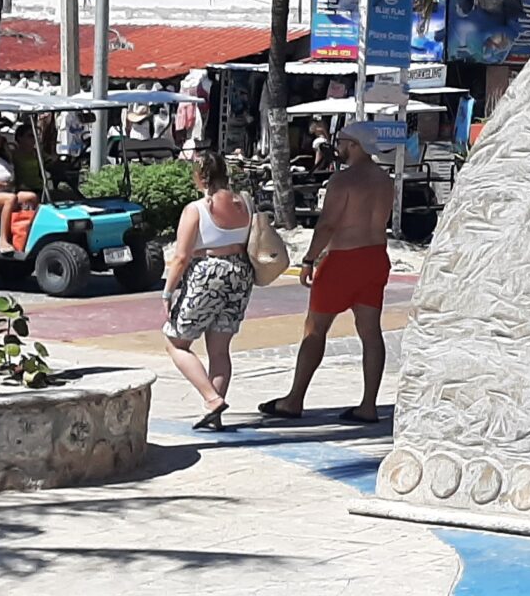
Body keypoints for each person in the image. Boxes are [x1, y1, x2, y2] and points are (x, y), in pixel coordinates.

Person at [260, 126, 394, 424]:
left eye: (342, 143)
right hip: (375, 256)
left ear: (355, 144)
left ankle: (294, 400)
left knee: (315, 328)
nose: (339, 148)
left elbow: (328, 225)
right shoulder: (385, 180)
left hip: (345, 258)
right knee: (371, 332)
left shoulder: (344, 180)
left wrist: (308, 259)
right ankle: (368, 405)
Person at [162, 157, 254, 432]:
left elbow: (181, 256)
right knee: (219, 349)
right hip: (240, 273)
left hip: (208, 274)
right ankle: (215, 413)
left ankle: (212, 399)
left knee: (176, 343)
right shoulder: (245, 202)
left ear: (201, 177)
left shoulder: (197, 209)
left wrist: (168, 292)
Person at [0, 128, 37, 249]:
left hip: (6, 190)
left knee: (31, 197)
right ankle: (2, 239)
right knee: (10, 199)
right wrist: (2, 185)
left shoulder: (5, 153)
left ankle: (24, 235)